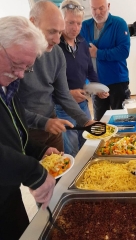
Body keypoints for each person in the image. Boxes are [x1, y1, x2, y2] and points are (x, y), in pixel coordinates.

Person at [0, 16, 56, 240]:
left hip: (8, 190)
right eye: (16, 65)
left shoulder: (8, 82)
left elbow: (13, 130)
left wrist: (38, 150)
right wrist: (32, 171)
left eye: (27, 67)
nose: (21, 74)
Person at [17, 1, 98, 153]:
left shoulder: (57, 53)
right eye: (52, 31)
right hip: (28, 131)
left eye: (60, 32)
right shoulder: (17, 54)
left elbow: (63, 95)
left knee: (61, 169)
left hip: (53, 123)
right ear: (33, 23)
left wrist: (86, 121)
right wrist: (43, 123)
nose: (56, 40)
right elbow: (11, 107)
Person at [57, 0, 109, 156]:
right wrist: (69, 93)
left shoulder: (82, 42)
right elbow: (49, 83)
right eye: (70, 22)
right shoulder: (54, 46)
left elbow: (90, 70)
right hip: (62, 108)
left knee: (88, 142)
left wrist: (98, 87)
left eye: (79, 23)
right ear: (61, 21)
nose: (75, 28)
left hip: (83, 105)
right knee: (71, 148)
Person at [80, 0, 131, 121]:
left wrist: (98, 53)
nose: (97, 12)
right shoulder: (84, 26)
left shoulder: (119, 23)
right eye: (93, 8)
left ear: (108, 6)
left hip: (117, 81)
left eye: (101, 8)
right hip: (96, 83)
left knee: (122, 120)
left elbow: (123, 51)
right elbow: (81, 57)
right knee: (100, 122)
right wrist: (88, 83)